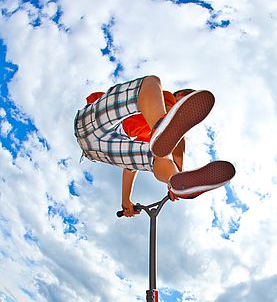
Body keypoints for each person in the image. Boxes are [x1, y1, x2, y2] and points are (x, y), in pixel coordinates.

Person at [74, 75, 236, 217]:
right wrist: (179, 166)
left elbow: (130, 166)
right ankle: (172, 170)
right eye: (186, 102)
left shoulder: (154, 140)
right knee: (151, 82)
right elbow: (179, 141)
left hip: (101, 149)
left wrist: (126, 202)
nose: (182, 110)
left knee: (156, 157)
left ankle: (176, 182)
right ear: (179, 95)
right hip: (92, 124)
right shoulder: (164, 98)